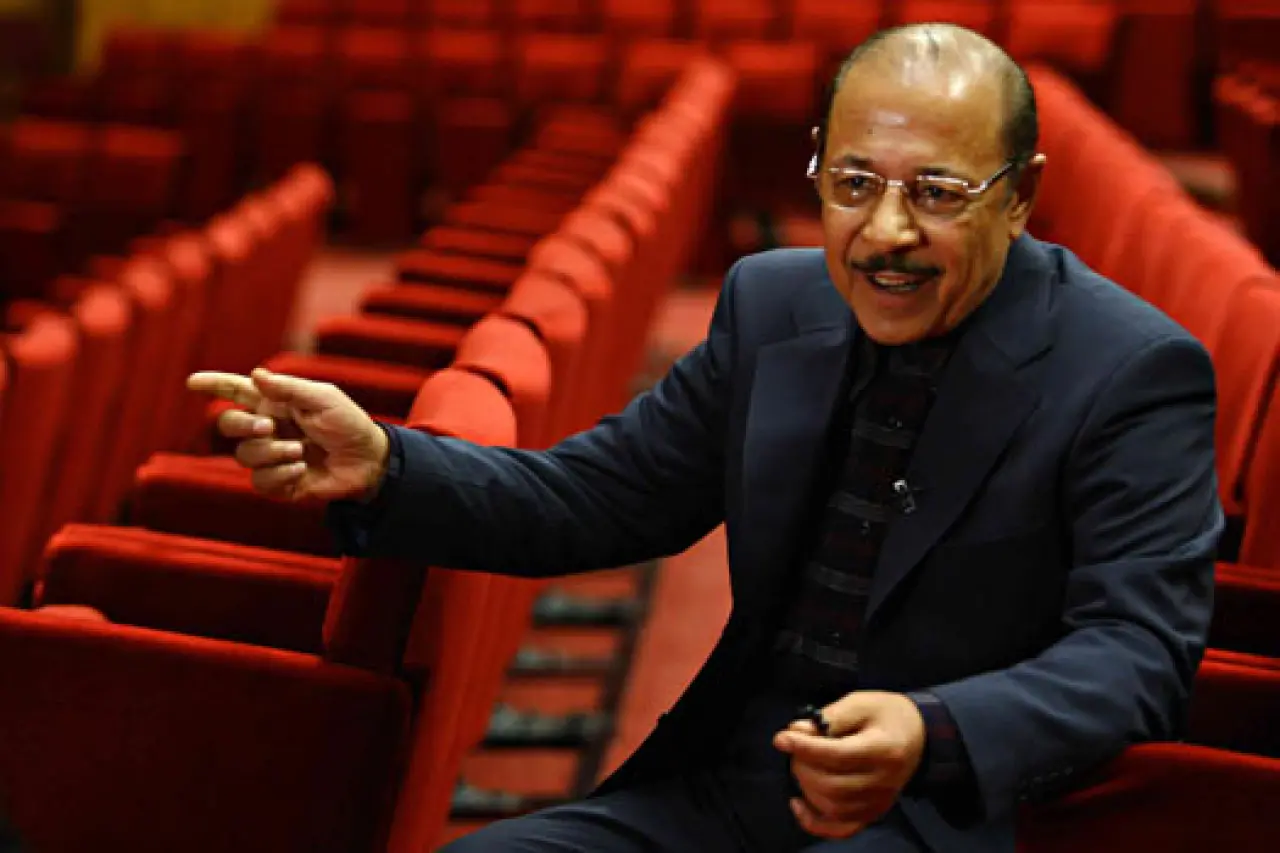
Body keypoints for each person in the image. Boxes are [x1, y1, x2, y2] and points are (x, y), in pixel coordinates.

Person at [190, 23, 1221, 853]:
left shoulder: (1130, 371)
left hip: (944, 813)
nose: (885, 233)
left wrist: (934, 727)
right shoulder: (772, 303)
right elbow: (599, 497)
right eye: (853, 183)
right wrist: (387, 463)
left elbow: (1137, 655)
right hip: (730, 786)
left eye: (937, 194)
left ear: (1020, 195)